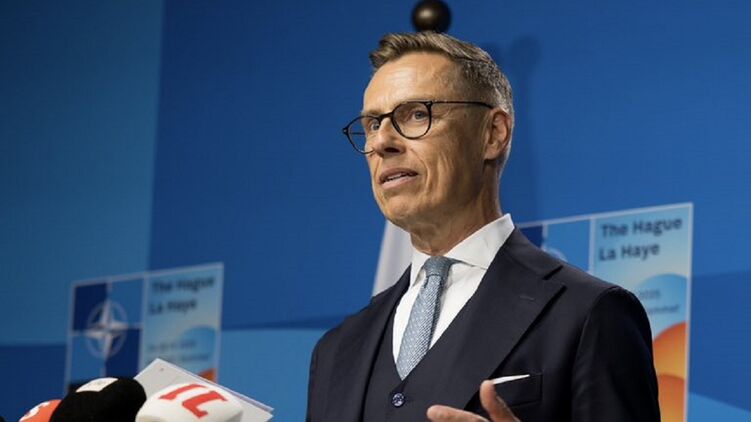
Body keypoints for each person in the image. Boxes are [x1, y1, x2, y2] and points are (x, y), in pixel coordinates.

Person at [307, 32, 660, 422]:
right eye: (374, 123)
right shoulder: (336, 350)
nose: (382, 142)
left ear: (493, 134)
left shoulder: (589, 312)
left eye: (417, 114)